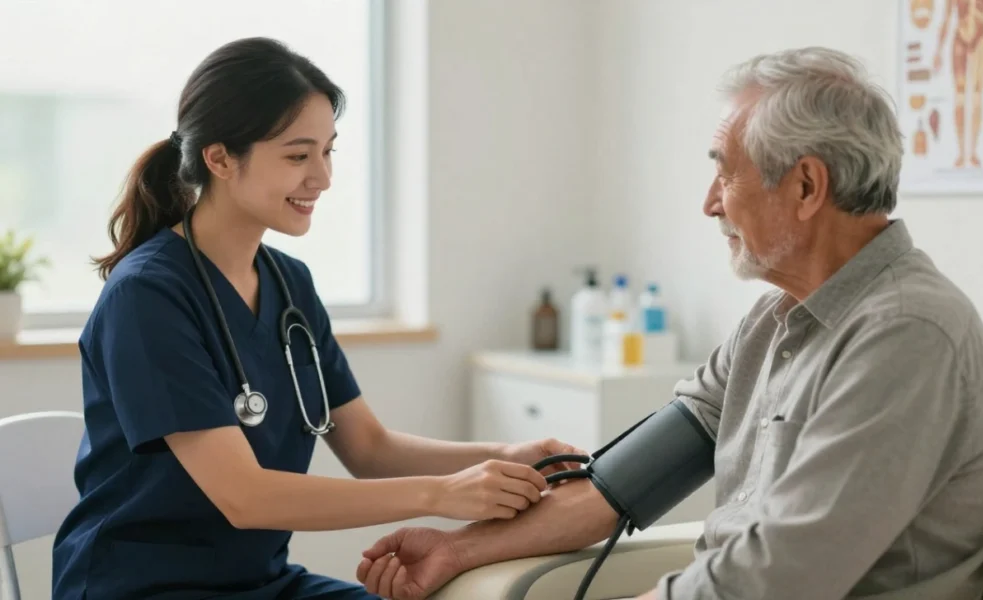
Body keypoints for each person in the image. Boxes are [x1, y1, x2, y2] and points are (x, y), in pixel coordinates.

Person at [355, 47, 983, 600]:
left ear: (806, 187)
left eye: (725, 169)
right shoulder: (775, 320)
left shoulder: (908, 334)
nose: (709, 201)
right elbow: (619, 485)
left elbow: (784, 573)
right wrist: (458, 550)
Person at [50, 37, 585, 600]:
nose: (323, 178)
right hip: (142, 588)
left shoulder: (288, 283)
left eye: (328, 151)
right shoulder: (148, 296)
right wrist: (442, 494)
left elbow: (370, 449)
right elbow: (245, 496)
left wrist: (505, 455)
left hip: (260, 583)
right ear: (220, 158)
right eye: (297, 155)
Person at [933, 0, 983, 167]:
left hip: (981, 37)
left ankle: (973, 152)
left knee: (977, 96)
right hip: (960, 38)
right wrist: (938, 51)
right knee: (960, 97)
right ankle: (962, 152)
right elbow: (946, 18)